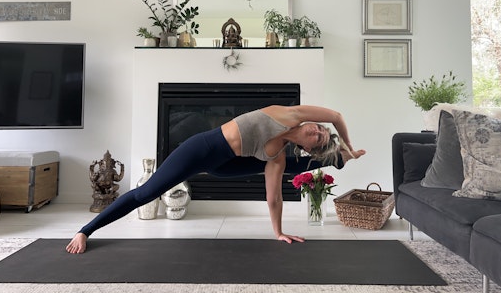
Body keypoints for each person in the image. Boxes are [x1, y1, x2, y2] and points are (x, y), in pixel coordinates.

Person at [66, 105, 366, 254]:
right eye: (319, 129)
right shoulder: (289, 114)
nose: (317, 130)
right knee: (146, 193)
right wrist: (349, 146)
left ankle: (334, 159)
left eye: (319, 137)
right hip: (201, 150)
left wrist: (278, 232)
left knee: (282, 166)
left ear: (309, 147)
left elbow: (273, 197)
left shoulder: (278, 156)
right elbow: (336, 116)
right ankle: (85, 231)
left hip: (225, 164)